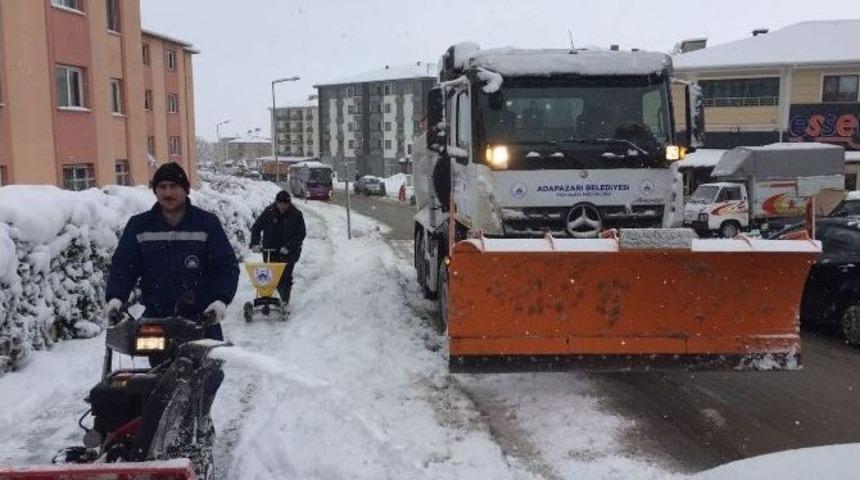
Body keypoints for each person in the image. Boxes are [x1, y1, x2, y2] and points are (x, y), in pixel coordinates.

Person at [104, 162, 239, 341]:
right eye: (162, 187)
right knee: (158, 369)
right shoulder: (139, 225)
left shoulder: (206, 223)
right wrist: (116, 298)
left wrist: (220, 301)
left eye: (173, 186)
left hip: (202, 319)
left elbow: (226, 265)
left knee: (208, 367)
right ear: (155, 191)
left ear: (185, 190)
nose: (168, 193)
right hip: (156, 319)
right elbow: (123, 266)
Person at [249, 190, 306, 304]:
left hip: (289, 252)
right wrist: (255, 243)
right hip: (270, 250)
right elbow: (256, 227)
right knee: (270, 276)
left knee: (285, 276)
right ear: (276, 203)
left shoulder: (296, 214)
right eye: (280, 204)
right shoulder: (269, 212)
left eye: (285, 204)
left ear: (289, 204)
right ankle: (267, 300)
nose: (282, 207)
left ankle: (284, 299)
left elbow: (301, 233)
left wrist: (288, 246)